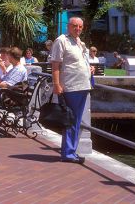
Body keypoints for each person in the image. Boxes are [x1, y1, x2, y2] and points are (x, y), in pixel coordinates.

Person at [50, 17, 94, 164]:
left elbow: (77, 62)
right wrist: (56, 84)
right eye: (75, 26)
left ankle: (71, 151)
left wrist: (89, 69)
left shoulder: (80, 43)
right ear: (68, 26)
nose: (78, 29)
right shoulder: (61, 40)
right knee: (70, 120)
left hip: (83, 86)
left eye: (80, 26)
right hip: (71, 87)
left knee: (76, 121)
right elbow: (55, 65)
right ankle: (68, 153)